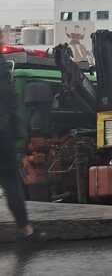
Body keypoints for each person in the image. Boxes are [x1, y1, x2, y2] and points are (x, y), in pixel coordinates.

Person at [0, 32, 40, 242]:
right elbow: (10, 100)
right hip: (2, 133)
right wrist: (19, 134)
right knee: (10, 182)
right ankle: (26, 229)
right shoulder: (2, 66)